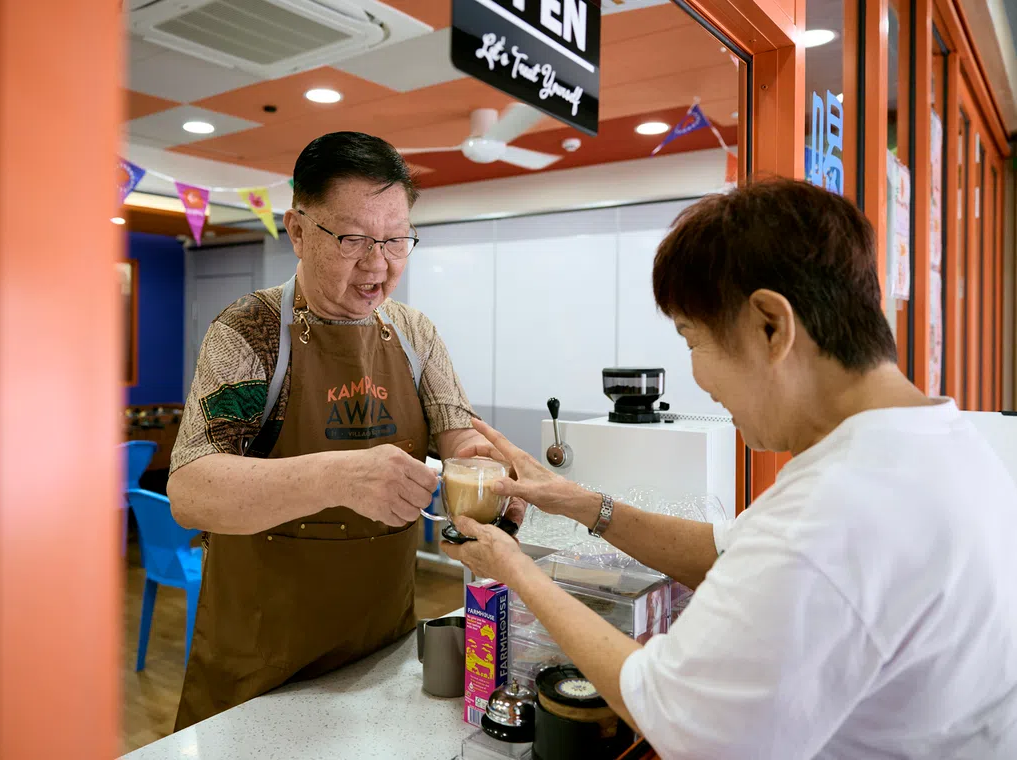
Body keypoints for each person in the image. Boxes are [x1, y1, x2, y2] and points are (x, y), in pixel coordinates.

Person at [443, 177, 1017, 759]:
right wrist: (580, 502)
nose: (701, 381)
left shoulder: (833, 512)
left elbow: (670, 711)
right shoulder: (947, 443)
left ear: (772, 325)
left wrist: (513, 567)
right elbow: (725, 553)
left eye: (693, 341)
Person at [167, 131, 522, 729]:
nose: (378, 265)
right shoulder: (249, 333)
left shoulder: (414, 334)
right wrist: (341, 475)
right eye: (354, 238)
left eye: (395, 240)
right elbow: (191, 490)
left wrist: (483, 465)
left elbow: (456, 431)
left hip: (380, 651)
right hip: (261, 664)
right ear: (298, 231)